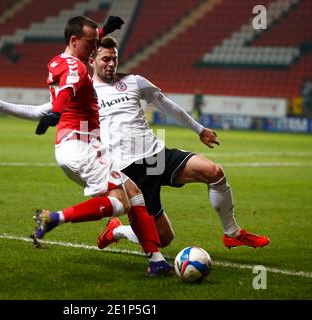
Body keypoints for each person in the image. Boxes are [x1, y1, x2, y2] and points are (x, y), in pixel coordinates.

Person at [0, 16, 175, 277]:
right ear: (74, 41)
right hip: (82, 146)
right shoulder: (75, 69)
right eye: (92, 42)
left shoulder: (61, 61)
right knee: (121, 202)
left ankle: (156, 261)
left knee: (133, 192)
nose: (95, 46)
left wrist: (0, 105)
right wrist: (56, 114)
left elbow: (39, 110)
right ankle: (55, 217)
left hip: (73, 148)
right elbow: (63, 95)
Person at [89, 37, 269, 250]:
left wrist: (200, 130)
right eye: (106, 59)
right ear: (92, 60)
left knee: (214, 172)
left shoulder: (134, 81)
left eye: (115, 59)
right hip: (130, 173)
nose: (111, 64)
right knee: (164, 238)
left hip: (157, 155)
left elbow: (167, 105)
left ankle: (232, 233)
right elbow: (59, 111)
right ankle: (116, 230)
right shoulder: (84, 92)